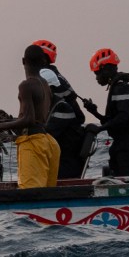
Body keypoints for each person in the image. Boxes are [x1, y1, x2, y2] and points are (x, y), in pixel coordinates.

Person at [0, 42, 59, 189]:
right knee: (47, 192)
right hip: (47, 142)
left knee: (30, 192)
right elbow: (37, 119)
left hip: (33, 144)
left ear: (23, 61)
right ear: (44, 62)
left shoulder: (26, 85)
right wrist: (7, 119)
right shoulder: (44, 83)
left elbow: (29, 119)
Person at [31, 39, 93, 179]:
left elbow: (53, 122)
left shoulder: (50, 81)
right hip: (65, 139)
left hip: (66, 145)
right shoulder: (56, 77)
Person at [81, 48, 129, 177]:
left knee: (127, 184)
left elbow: (124, 117)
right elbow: (115, 121)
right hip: (121, 144)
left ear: (105, 69)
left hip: (128, 146)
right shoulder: (118, 87)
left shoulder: (121, 88)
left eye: (97, 73)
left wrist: (100, 129)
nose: (96, 77)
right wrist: (94, 112)